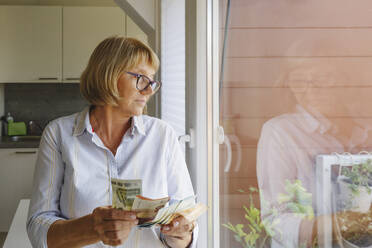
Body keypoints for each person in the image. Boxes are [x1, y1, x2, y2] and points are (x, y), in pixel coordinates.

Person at [27, 36, 197, 248]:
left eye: (152, 80)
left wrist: (181, 235)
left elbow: (186, 218)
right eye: (140, 78)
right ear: (108, 74)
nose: (149, 90)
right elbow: (38, 227)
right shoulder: (58, 134)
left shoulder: (163, 135)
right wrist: (93, 227)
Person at [257, 61, 372, 247]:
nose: (312, 89)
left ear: (344, 81)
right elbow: (276, 221)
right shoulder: (281, 132)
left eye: (323, 78)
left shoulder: (364, 128)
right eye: (300, 80)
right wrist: (343, 223)